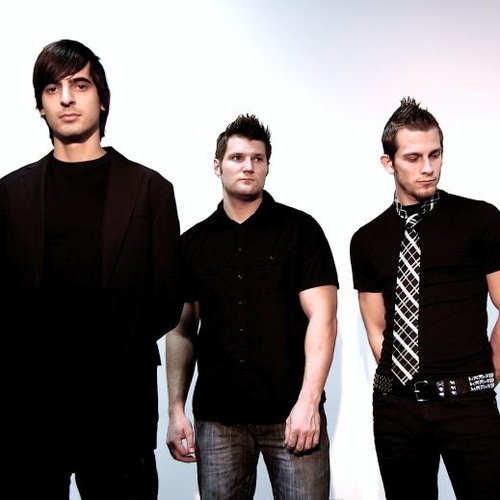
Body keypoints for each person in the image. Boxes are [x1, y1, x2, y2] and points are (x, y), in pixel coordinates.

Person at [1, 39, 182, 499]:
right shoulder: (10, 195)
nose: (66, 98)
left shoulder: (150, 191)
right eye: (52, 88)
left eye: (79, 85)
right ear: (40, 106)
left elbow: (166, 297)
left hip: (119, 408)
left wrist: (106, 352)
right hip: (31, 411)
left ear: (103, 99)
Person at [166, 114, 338, 499]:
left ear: (267, 166)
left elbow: (324, 318)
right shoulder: (192, 244)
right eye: (237, 157)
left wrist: (309, 402)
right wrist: (175, 408)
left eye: (257, 159)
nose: (248, 166)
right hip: (218, 420)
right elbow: (181, 330)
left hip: (292, 414)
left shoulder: (301, 231)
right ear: (217, 166)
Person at [350, 97, 500, 499]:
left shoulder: (480, 219)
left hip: (468, 402)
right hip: (396, 410)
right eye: (414, 157)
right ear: (389, 163)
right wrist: (400, 384)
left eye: (435, 154)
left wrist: (487, 375)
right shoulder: (367, 240)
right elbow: (376, 327)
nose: (428, 167)